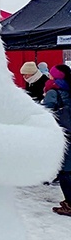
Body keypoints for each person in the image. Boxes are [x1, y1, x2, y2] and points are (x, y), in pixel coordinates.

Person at [42, 64, 71, 217]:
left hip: (63, 135)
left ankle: (70, 204)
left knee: (65, 171)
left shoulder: (53, 92)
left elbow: (45, 112)